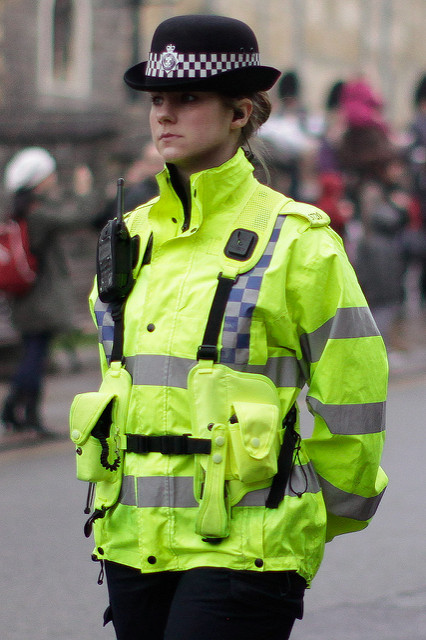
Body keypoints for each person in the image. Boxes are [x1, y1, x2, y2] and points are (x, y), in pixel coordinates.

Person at [74, 15, 388, 640]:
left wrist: (307, 515)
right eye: (158, 99)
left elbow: (355, 394)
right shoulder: (130, 235)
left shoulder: (300, 242)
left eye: (187, 98)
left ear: (240, 111)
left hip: (249, 549)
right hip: (132, 541)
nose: (164, 114)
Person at [1, 147, 96, 437]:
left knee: (36, 354)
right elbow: (79, 217)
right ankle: (16, 411)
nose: (54, 179)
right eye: (49, 175)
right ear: (38, 180)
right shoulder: (39, 214)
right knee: (34, 357)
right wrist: (83, 191)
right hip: (39, 301)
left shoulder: (22, 212)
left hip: (26, 300)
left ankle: (24, 415)